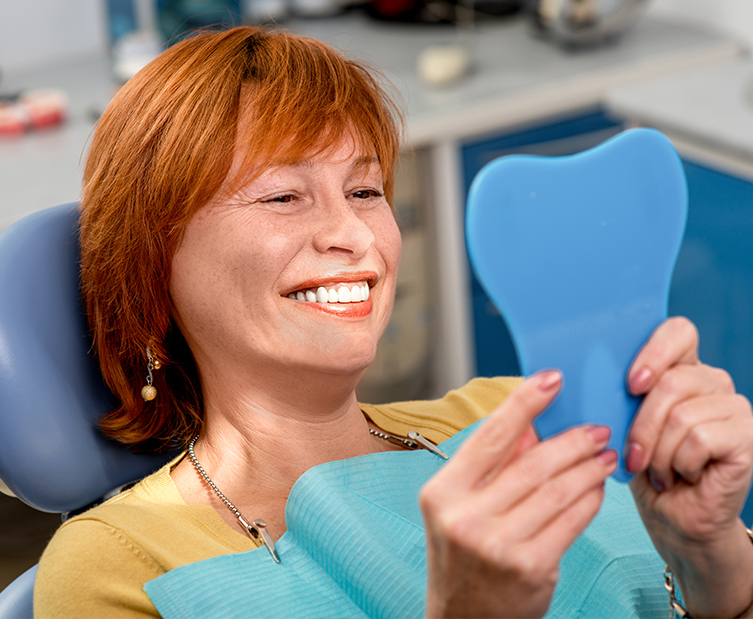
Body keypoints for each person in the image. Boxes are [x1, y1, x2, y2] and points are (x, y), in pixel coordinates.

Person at [34, 25, 753, 619]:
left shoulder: (518, 412)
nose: (353, 232)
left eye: (365, 188)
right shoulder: (118, 565)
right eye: (283, 196)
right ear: (153, 262)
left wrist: (712, 564)